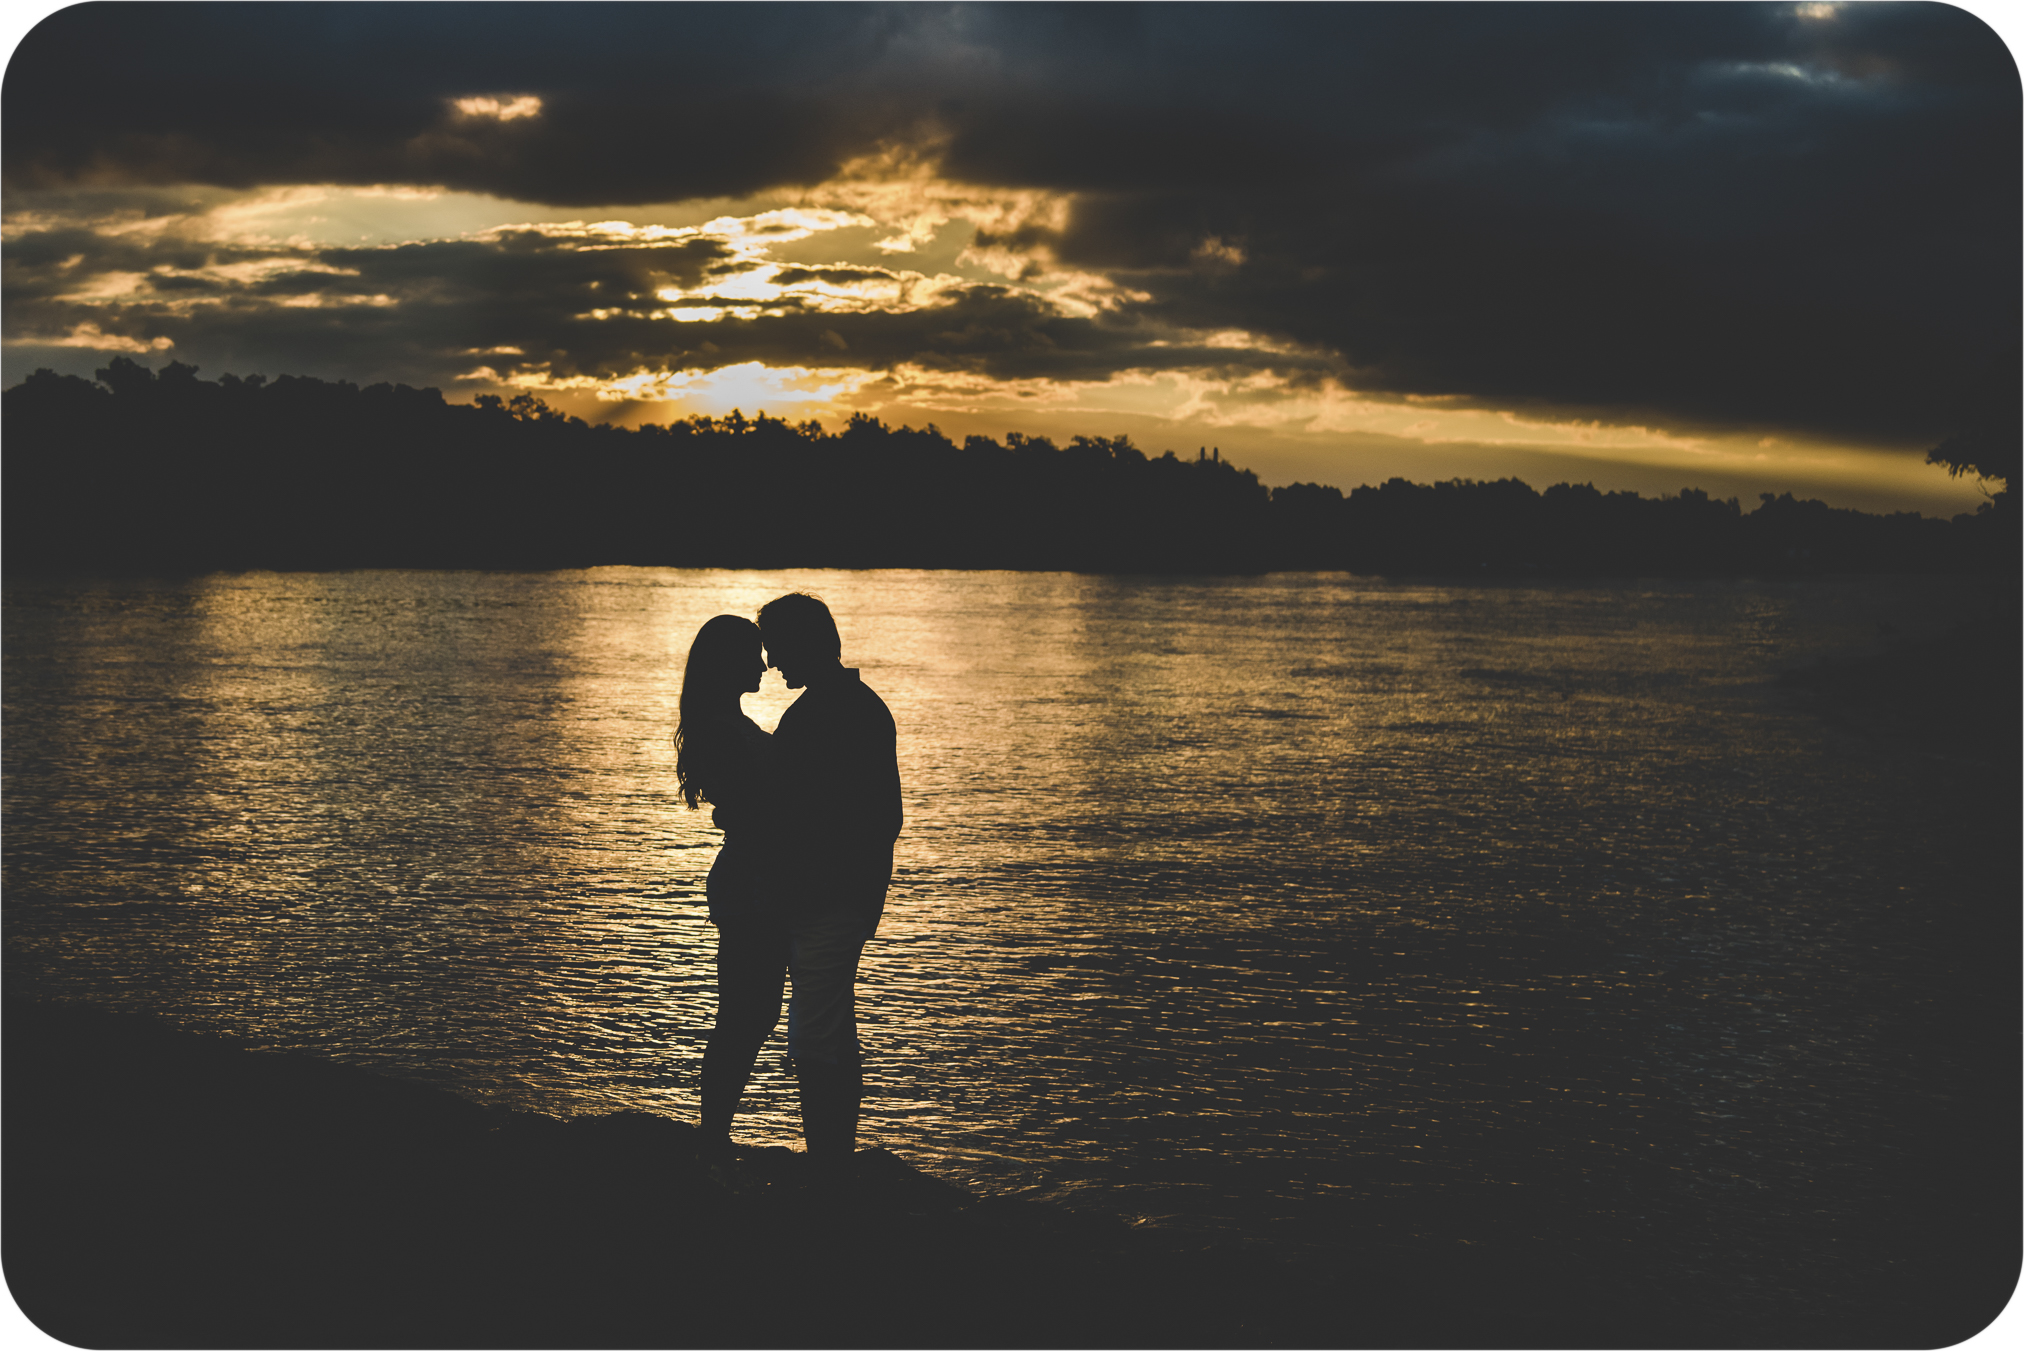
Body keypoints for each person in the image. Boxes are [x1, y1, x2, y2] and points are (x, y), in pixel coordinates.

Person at [678, 595, 902, 1170]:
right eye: (757, 654)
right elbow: (775, 808)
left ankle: (757, 1147)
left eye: (772, 649)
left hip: (782, 888)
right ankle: (731, 1143)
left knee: (770, 1019)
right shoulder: (755, 724)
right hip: (760, 889)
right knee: (758, 1019)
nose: (769, 664)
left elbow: (819, 810)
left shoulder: (810, 715)